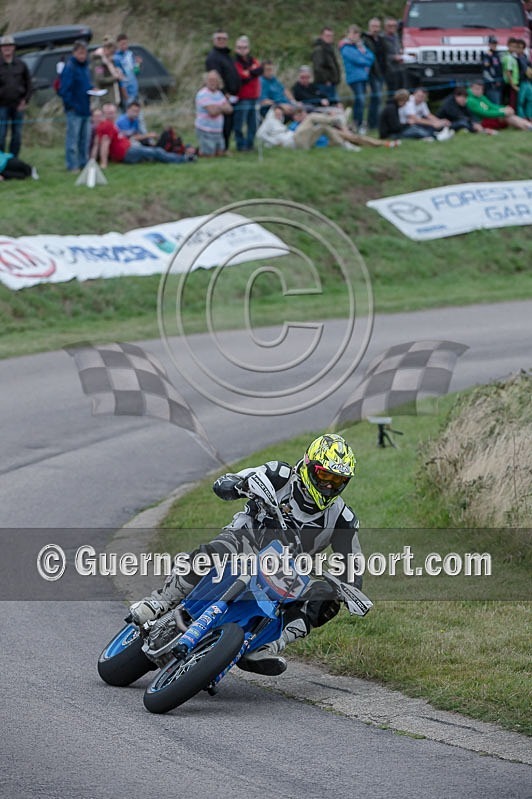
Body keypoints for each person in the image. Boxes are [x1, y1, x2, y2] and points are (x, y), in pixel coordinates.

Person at [129, 434, 362, 675]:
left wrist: (349, 587)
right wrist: (235, 484)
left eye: (338, 480)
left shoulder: (343, 518)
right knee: (211, 553)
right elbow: (241, 478)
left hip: (284, 572)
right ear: (308, 465)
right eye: (325, 476)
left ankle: (265, 646)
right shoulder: (280, 474)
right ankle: (160, 601)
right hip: (245, 540)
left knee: (326, 602)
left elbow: (353, 565)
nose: (329, 485)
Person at [93, 102, 196, 166]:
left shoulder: (108, 124)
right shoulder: (108, 125)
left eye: (113, 112)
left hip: (129, 147)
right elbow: (104, 144)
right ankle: (184, 159)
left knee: (155, 152)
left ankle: (182, 153)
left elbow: (96, 144)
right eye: (109, 113)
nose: (112, 115)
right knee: (157, 152)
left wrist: (92, 160)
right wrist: (103, 163)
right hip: (126, 152)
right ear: (104, 114)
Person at [59, 40, 93, 173]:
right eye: (80, 53)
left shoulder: (85, 67)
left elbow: (85, 85)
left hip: (85, 108)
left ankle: (83, 163)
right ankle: (72, 165)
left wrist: (92, 89)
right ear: (74, 53)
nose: (82, 56)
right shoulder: (70, 68)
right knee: (73, 139)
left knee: (84, 139)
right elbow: (64, 90)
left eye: (84, 53)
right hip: (74, 109)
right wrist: (71, 105)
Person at [205, 30, 241, 150]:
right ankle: (221, 147)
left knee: (230, 123)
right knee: (223, 123)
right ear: (214, 40)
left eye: (224, 39)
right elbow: (214, 78)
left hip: (233, 95)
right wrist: (224, 93)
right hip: (221, 96)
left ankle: (225, 146)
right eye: (219, 38)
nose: (221, 41)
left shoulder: (227, 55)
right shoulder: (213, 57)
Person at [0, 34, 32, 157]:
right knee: (1, 135)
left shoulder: (21, 64)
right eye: (4, 46)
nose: (7, 48)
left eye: (9, 46)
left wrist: (25, 100)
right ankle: (1, 160)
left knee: (17, 135)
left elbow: (29, 84)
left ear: (13, 47)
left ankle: (14, 160)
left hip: (18, 106)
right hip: (1, 106)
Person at [339, 25, 374, 132]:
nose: (355, 36)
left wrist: (364, 58)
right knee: (360, 100)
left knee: (361, 101)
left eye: (357, 33)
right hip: (354, 78)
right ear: (348, 34)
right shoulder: (346, 47)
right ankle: (356, 123)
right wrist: (365, 59)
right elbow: (358, 60)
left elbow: (371, 57)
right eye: (352, 33)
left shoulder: (360, 46)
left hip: (363, 77)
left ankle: (359, 123)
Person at [233, 35, 263, 151]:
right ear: (236, 48)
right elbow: (242, 77)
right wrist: (252, 72)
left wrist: (249, 72)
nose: (242, 50)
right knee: (239, 124)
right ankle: (240, 145)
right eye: (239, 47)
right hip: (242, 97)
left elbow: (260, 69)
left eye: (245, 47)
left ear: (248, 48)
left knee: (253, 123)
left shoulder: (253, 60)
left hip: (255, 96)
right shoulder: (235, 62)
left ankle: (250, 144)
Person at [466, 79, 532, 131]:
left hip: (490, 118)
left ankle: (527, 125)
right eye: (476, 89)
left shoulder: (481, 97)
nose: (479, 91)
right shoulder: (470, 100)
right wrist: (502, 112)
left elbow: (492, 106)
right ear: (471, 89)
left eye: (481, 89)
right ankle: (528, 126)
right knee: (506, 116)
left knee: (508, 114)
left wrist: (504, 108)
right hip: (481, 122)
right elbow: (485, 113)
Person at [195, 70, 233, 156]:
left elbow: (230, 109)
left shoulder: (219, 94)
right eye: (210, 80)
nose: (212, 82)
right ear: (206, 81)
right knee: (208, 155)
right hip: (205, 130)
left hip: (217, 130)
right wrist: (222, 107)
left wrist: (217, 107)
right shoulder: (203, 94)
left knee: (220, 153)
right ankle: (194, 152)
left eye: (215, 80)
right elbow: (212, 112)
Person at [362, 18, 386, 132]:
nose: (375, 29)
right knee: (376, 97)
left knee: (379, 98)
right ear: (369, 27)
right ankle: (372, 123)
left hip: (381, 72)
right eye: (373, 26)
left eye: (377, 26)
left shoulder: (381, 39)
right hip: (372, 72)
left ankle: (376, 122)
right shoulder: (365, 40)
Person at [91, 35, 124, 107]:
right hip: (105, 99)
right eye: (111, 52)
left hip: (113, 97)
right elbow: (100, 79)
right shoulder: (99, 63)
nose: (112, 55)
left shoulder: (110, 61)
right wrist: (115, 78)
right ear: (106, 49)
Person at [311, 27, 341, 104]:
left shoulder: (330, 48)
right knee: (328, 105)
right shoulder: (319, 49)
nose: (329, 38)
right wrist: (326, 80)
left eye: (331, 36)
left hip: (332, 83)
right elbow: (318, 67)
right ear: (321, 36)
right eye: (327, 35)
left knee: (334, 104)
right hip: (324, 84)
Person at [113, 33, 141, 109]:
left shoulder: (130, 54)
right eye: (122, 44)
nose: (124, 46)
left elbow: (135, 72)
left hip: (134, 89)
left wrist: (137, 64)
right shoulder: (116, 58)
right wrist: (125, 95)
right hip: (125, 92)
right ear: (118, 44)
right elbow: (120, 77)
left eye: (126, 43)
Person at [382, 17, 405, 96]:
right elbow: (381, 56)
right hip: (389, 70)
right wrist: (393, 57)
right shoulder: (381, 38)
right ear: (385, 27)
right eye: (390, 26)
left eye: (394, 26)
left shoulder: (397, 36)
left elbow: (399, 48)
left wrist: (402, 53)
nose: (392, 27)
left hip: (400, 69)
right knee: (391, 94)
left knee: (401, 93)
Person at [481, 35, 503, 105]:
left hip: (499, 83)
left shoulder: (497, 54)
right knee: (493, 103)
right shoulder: (487, 55)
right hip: (491, 84)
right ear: (489, 44)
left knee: (498, 102)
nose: (494, 45)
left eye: (495, 43)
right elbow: (486, 71)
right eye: (492, 43)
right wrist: (493, 81)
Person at [502, 37, 520, 109]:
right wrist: (513, 86)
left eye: (515, 47)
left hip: (513, 83)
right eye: (512, 46)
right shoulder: (508, 57)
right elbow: (508, 72)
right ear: (508, 45)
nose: (513, 48)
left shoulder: (513, 56)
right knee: (511, 104)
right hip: (510, 84)